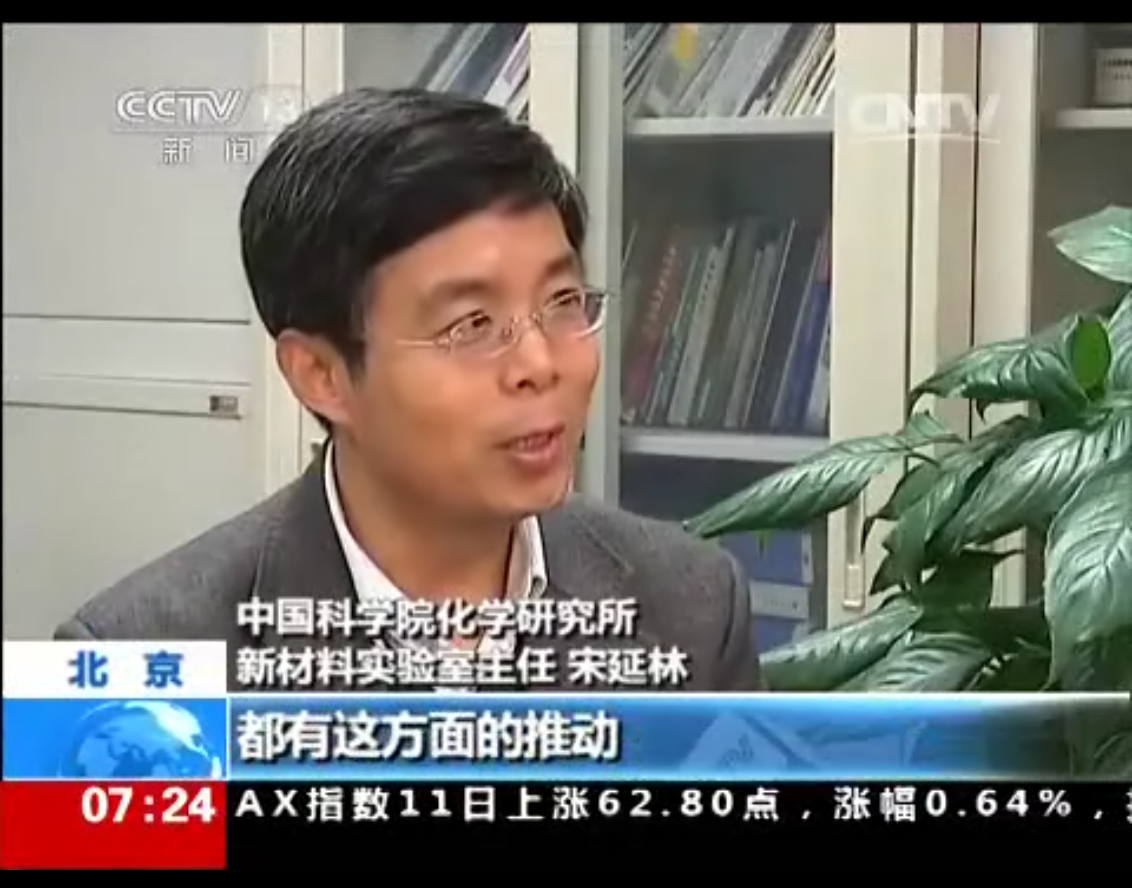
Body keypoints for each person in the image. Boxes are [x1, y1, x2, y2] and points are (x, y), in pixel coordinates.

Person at [54, 87, 763, 692]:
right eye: (472, 324)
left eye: (563, 301)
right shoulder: (131, 662)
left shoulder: (694, 608)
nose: (542, 363)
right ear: (321, 375)